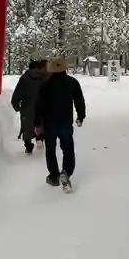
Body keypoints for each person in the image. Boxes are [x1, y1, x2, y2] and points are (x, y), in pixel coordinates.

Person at [35, 56, 86, 191]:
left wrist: (37, 124)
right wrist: (81, 116)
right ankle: (66, 172)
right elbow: (79, 101)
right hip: (65, 122)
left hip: (49, 123)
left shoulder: (45, 85)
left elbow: (38, 106)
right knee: (67, 149)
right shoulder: (72, 82)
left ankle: (54, 175)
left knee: (50, 150)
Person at [11, 59, 49, 154]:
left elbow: (17, 94)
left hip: (27, 106)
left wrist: (17, 106)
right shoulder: (46, 77)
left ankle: (28, 144)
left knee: (27, 125)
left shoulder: (25, 78)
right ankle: (40, 138)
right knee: (42, 122)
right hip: (43, 106)